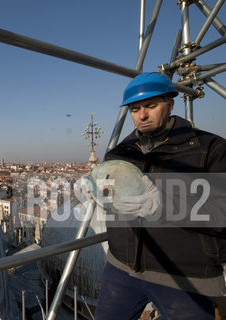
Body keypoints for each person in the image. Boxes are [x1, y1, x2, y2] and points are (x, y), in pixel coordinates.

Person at [93, 72, 226, 319]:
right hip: (122, 268)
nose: (142, 115)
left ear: (170, 104)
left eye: (150, 106)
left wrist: (163, 204)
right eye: (134, 109)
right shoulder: (118, 154)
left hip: (186, 275)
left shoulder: (211, 149)